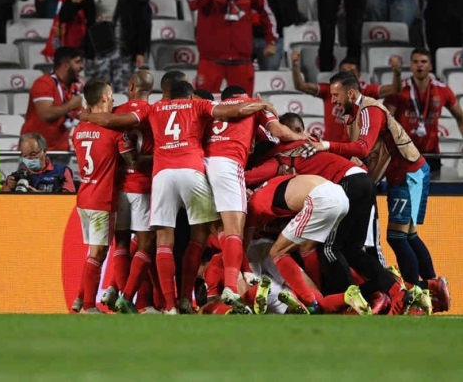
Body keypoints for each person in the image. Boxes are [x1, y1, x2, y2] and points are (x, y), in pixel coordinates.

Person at [78, 71, 273, 314]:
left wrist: (87, 116)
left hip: (159, 178)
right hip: (192, 172)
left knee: (160, 243)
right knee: (205, 233)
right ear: (189, 94)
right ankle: (199, 293)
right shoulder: (198, 105)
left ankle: (167, 306)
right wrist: (261, 104)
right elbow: (234, 111)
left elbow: (113, 122)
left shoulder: (154, 109)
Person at [246, 112, 427, 315]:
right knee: (352, 251)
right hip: (362, 180)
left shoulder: (280, 159)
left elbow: (246, 176)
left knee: (329, 250)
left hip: (344, 187)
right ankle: (400, 291)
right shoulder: (310, 141)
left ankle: (350, 301)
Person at [307, 71, 444, 297]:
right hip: (401, 175)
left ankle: (417, 292)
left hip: (408, 173)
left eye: (336, 95)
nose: (333, 101)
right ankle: (433, 286)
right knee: (408, 235)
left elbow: (362, 148)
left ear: (350, 93)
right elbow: (351, 153)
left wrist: (327, 145)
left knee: (398, 237)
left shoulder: (370, 110)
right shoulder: (351, 116)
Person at [202, 85, 307, 311]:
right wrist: (302, 137)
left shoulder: (212, 107)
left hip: (200, 167)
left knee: (212, 235)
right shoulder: (254, 108)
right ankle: (304, 300)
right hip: (230, 169)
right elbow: (279, 132)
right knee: (235, 232)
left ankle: (241, 287)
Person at [246, 174, 371, 315]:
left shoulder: (253, 205)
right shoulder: (271, 184)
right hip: (340, 196)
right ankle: (363, 291)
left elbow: (243, 244)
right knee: (310, 248)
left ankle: (310, 299)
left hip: (319, 199)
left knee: (278, 251)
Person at [71, 79, 135, 313]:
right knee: (98, 254)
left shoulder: (78, 130)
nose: (114, 101)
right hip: (101, 199)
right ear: (103, 99)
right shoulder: (113, 130)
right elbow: (131, 160)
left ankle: (79, 298)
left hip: (85, 196)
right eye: (111, 97)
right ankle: (89, 306)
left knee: (93, 252)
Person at [187, 0, 274, 95]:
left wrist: (271, 40)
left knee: (243, 107)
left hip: (241, 58)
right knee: (204, 106)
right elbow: (193, 2)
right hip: (212, 58)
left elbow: (266, 11)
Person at [109, 71, 158, 314]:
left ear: (130, 86)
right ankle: (126, 296)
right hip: (144, 187)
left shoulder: (116, 112)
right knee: (146, 242)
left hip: (117, 186)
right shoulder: (155, 112)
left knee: (120, 240)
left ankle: (115, 290)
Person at [290, 52, 401, 142]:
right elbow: (300, 86)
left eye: (352, 72)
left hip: (357, 151)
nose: (347, 76)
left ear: (358, 75)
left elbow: (394, 89)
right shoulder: (329, 90)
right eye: (344, 72)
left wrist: (397, 73)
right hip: (332, 149)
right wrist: (295, 66)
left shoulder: (366, 90)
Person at [385, 48, 463, 176]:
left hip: (431, 155)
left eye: (423, 61)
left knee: (433, 195)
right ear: (411, 66)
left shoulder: (443, 90)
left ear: (430, 66)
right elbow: (385, 120)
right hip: (404, 154)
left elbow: (460, 117)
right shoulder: (399, 90)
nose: (419, 65)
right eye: (415, 61)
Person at [21, 46, 84, 154]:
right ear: (65, 65)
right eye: (77, 62)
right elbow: (46, 114)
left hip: (61, 151)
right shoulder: (44, 83)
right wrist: (70, 106)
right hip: (36, 151)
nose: (81, 66)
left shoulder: (73, 88)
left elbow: (79, 116)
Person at [0, 131, 76, 192]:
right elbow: (1, 202)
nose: (29, 158)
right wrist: (9, 186)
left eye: (33, 154)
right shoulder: (18, 176)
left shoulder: (62, 171)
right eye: (25, 155)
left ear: (44, 151)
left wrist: (38, 197)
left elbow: (68, 200)